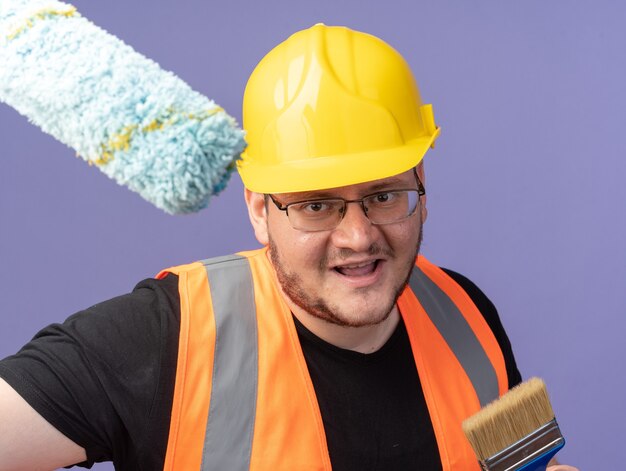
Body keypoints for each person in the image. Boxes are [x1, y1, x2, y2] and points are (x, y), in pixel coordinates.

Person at [0, 24, 578, 471]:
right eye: (316, 205)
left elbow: (522, 463)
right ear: (259, 209)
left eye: (383, 194)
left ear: (422, 186)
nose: (358, 237)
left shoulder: (466, 313)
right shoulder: (167, 337)